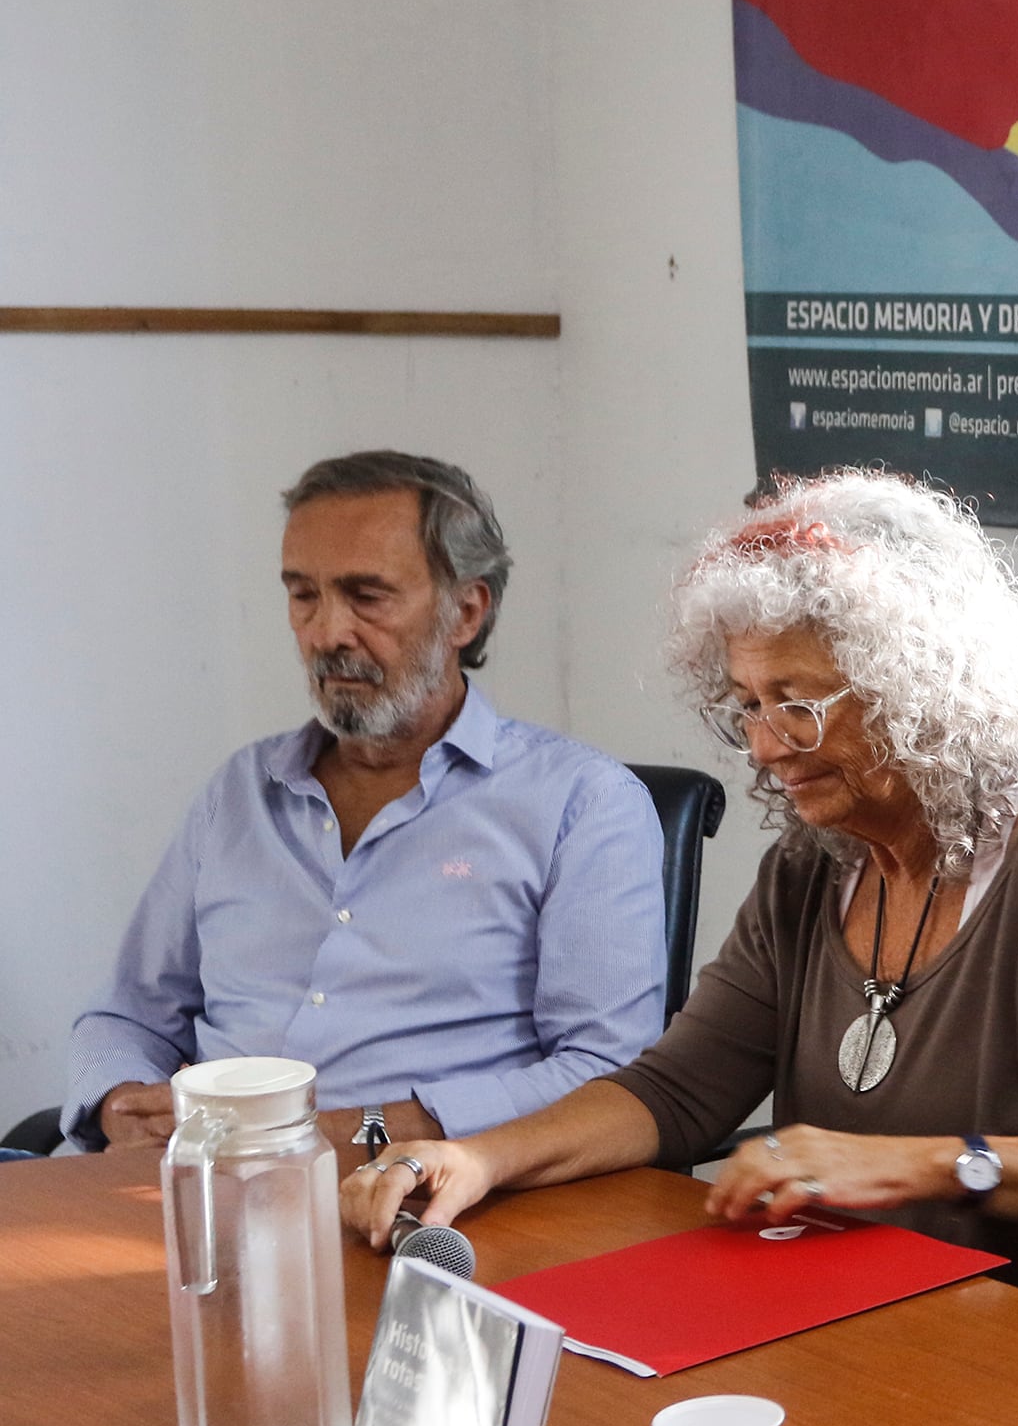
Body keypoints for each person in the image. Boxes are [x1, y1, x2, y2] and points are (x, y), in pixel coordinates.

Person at [344, 471, 1018, 1331]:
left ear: (917, 686)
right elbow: (674, 1093)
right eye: (748, 705)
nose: (767, 746)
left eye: (798, 703)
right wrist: (476, 1159)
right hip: (902, 1313)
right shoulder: (817, 863)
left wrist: (914, 1167)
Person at [62, 451, 665, 1153]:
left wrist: (365, 1129)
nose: (327, 633)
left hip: (433, 1203)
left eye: (366, 596)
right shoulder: (239, 793)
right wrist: (118, 1100)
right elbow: (128, 1015)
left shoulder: (581, 805)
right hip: (193, 1184)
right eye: (303, 595)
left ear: (465, 612)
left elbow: (607, 1076)